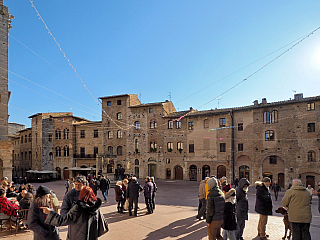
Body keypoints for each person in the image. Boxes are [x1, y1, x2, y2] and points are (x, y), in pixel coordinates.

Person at [41, 186, 108, 240]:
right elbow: (103, 226)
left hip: (76, 237)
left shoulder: (78, 208)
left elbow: (63, 220)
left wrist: (50, 213)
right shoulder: (96, 209)